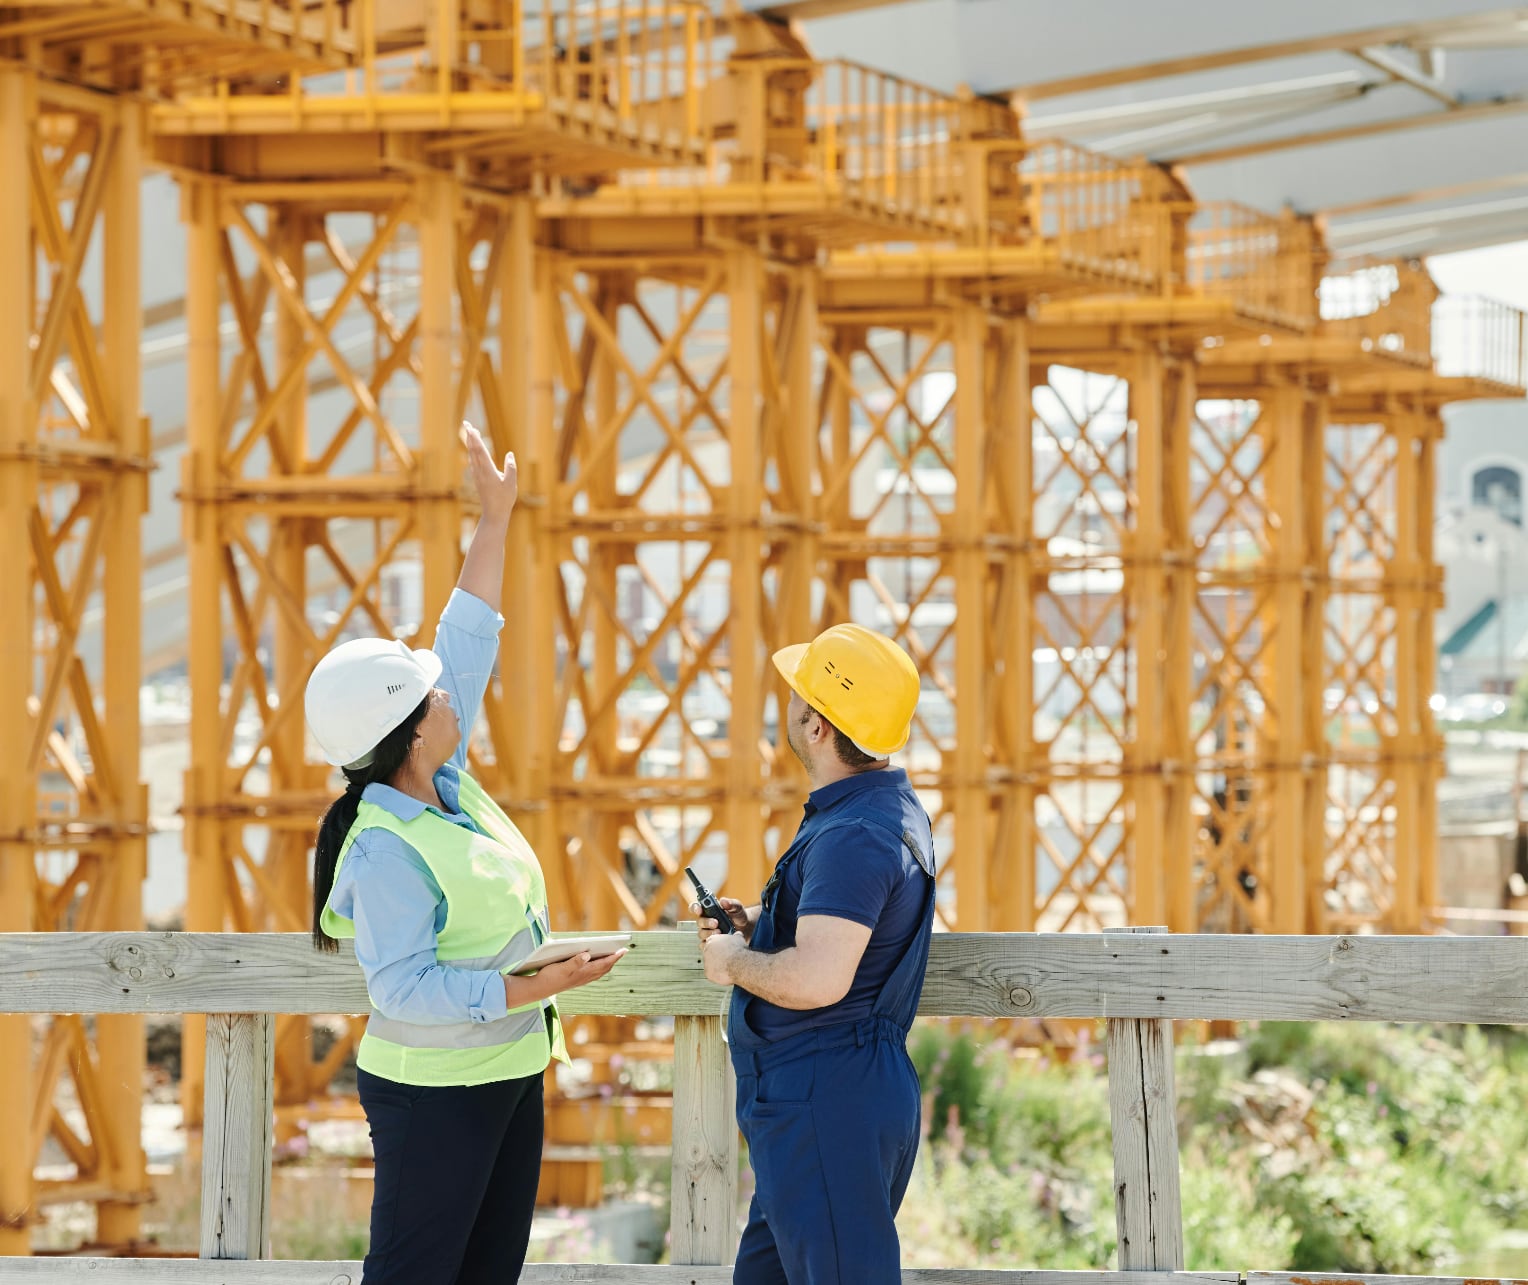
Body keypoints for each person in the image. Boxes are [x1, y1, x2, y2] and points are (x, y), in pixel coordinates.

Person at [305, 422, 625, 1285]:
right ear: (410, 734)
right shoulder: (384, 849)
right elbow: (400, 986)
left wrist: (496, 516)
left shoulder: (446, 781)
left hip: (511, 1067)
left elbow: (468, 637)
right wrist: (530, 985)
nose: (448, 688)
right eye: (430, 691)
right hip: (434, 1092)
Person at [694, 623, 935, 1285]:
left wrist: (732, 961)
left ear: (818, 725)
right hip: (826, 1096)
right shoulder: (881, 811)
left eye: (799, 694)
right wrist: (766, 924)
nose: (790, 706)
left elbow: (821, 976)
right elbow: (842, 932)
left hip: (824, 1095)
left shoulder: (855, 833)